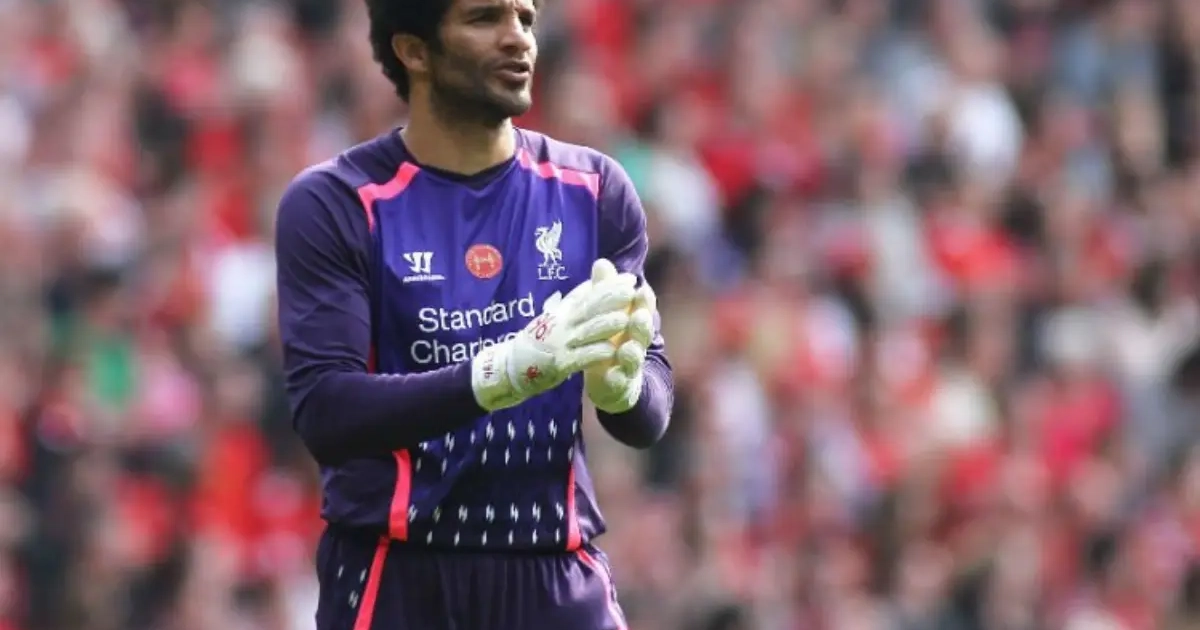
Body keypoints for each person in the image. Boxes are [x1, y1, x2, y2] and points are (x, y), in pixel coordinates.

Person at [272, 0, 674, 627]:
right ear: (414, 50)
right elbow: (326, 411)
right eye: (485, 18)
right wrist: (499, 375)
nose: (518, 39)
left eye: (525, 18)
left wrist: (624, 388)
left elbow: (650, 408)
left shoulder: (595, 190)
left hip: (555, 576)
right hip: (398, 577)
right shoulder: (337, 203)